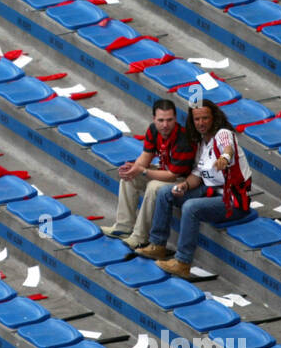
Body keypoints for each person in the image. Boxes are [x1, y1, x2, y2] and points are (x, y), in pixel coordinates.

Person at [136, 100, 252, 277]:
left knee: (191, 208)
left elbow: (227, 148)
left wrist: (224, 159)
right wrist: (185, 185)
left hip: (233, 200)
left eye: (205, 118)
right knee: (166, 191)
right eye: (197, 119)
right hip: (209, 191)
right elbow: (197, 174)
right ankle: (157, 244)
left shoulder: (223, 133)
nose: (201, 123)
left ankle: (183, 262)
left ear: (214, 118)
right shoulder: (201, 143)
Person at [101, 99, 197, 249]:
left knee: (153, 186)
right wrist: (135, 168)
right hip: (165, 171)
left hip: (184, 182)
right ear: (154, 119)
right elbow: (145, 157)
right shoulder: (153, 130)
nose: (165, 125)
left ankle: (140, 237)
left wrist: (143, 171)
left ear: (176, 119)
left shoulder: (184, 140)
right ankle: (123, 227)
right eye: (161, 120)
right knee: (129, 176)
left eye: (169, 120)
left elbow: (172, 175)